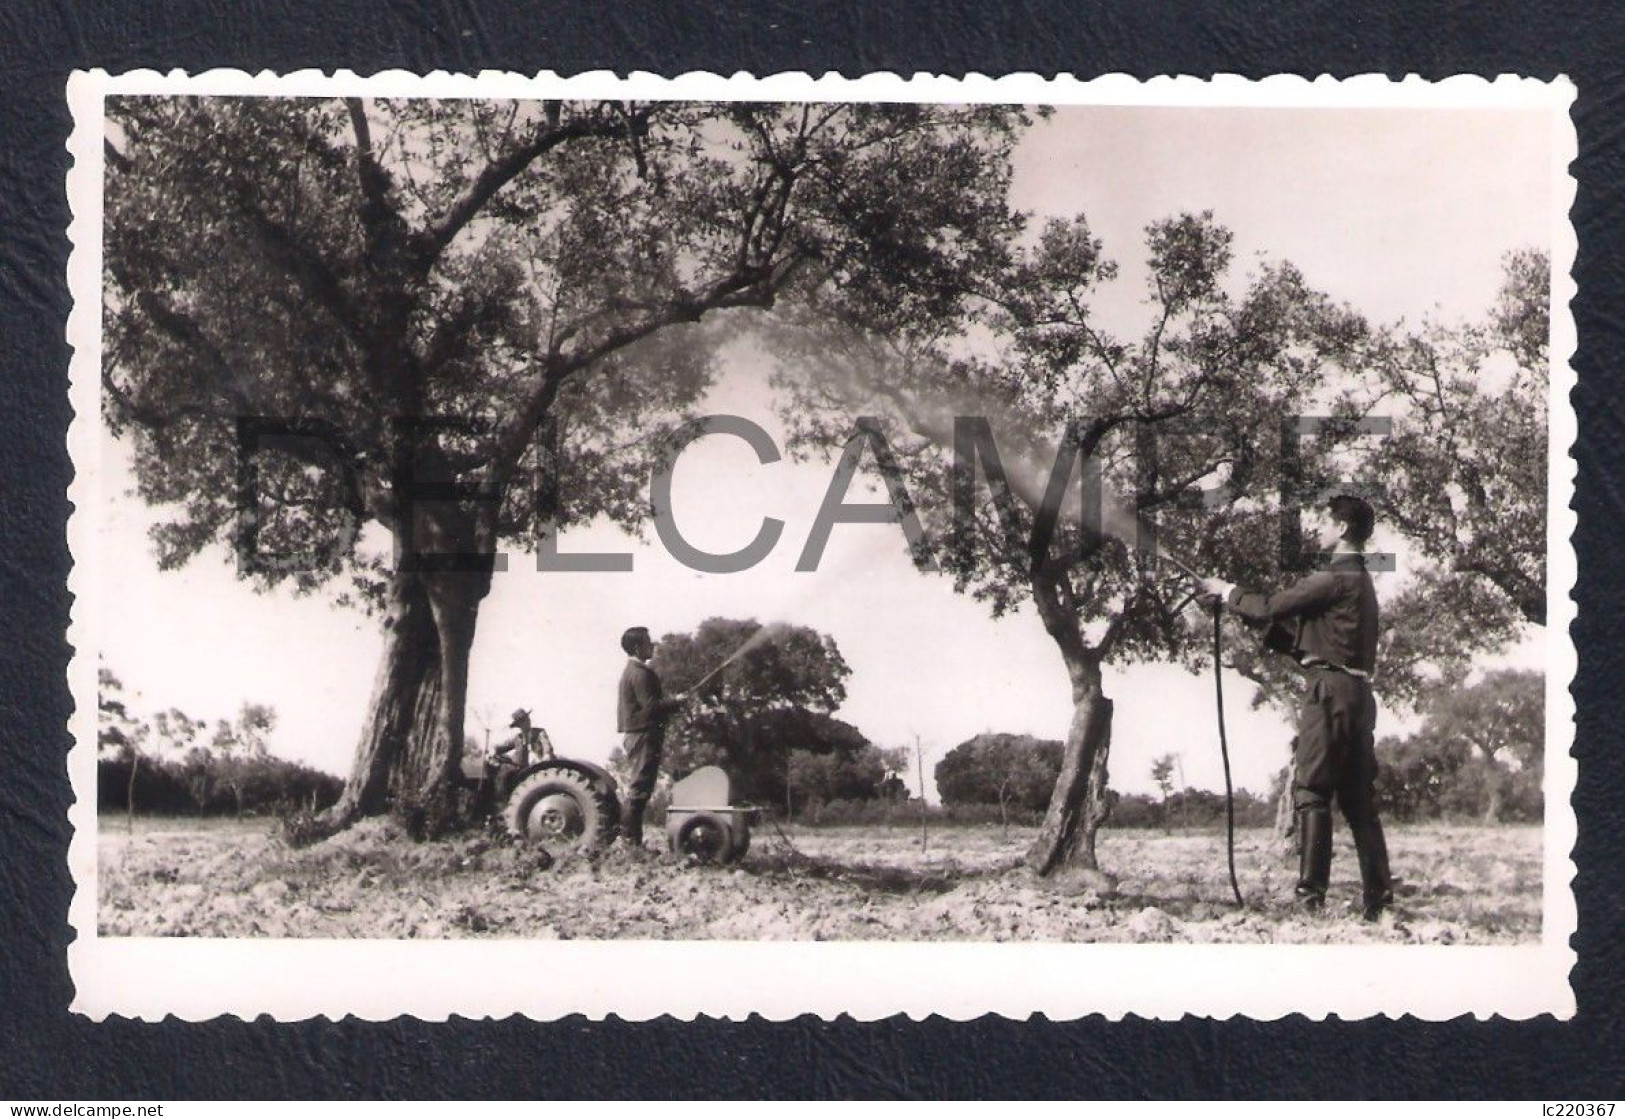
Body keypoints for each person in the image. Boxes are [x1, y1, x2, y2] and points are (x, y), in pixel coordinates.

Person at [1201, 493, 1393, 920]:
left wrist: (1228, 592)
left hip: (1329, 693)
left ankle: (1310, 901)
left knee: (1311, 792)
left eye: (1325, 522)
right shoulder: (1362, 583)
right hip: (1359, 696)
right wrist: (1254, 620)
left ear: (1341, 529)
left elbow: (1270, 607)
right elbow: (1319, 644)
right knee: (1360, 803)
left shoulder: (1334, 577)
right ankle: (1380, 904)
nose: (1318, 529)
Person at [616, 626, 686, 848]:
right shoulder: (640, 673)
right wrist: (677, 702)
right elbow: (652, 707)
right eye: (648, 641)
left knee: (640, 789)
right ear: (638, 647)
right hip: (643, 735)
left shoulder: (633, 671)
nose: (652, 644)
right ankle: (630, 845)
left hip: (639, 734)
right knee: (639, 789)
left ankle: (631, 843)